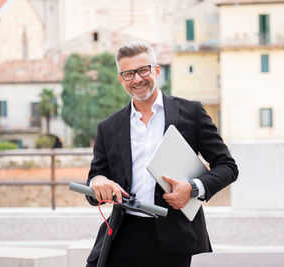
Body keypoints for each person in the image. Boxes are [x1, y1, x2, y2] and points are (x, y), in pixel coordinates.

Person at [85, 41, 238, 267]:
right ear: (121, 79)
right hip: (122, 232)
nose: (137, 79)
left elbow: (227, 166)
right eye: (128, 74)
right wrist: (98, 182)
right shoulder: (108, 127)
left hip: (173, 237)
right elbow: (95, 179)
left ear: (156, 70)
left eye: (143, 70)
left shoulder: (191, 112)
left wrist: (193, 188)